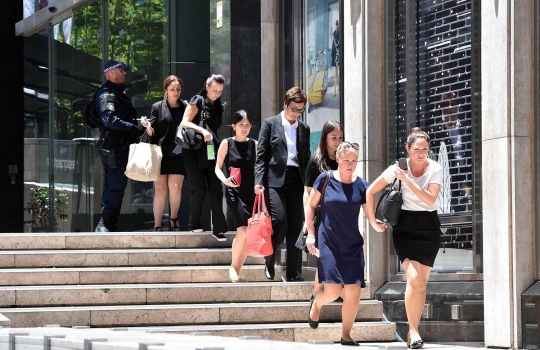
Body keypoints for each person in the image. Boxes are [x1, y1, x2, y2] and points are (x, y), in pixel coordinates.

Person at [365, 127, 443, 349]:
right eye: (417, 149)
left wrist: (407, 181)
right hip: (405, 227)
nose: (421, 154)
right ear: (408, 149)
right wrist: (372, 221)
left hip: (429, 227)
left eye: (425, 149)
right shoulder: (397, 168)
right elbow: (370, 191)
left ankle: (413, 330)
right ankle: (413, 330)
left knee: (422, 283)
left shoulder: (435, 168)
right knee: (413, 278)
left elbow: (430, 200)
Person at [305, 142, 368, 347]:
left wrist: (379, 224)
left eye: (354, 160)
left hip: (352, 244)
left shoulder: (362, 185)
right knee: (332, 291)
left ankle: (346, 335)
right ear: (338, 159)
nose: (350, 164)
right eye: (347, 160)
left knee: (353, 292)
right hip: (329, 241)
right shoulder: (325, 178)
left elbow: (370, 215)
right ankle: (316, 304)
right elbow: (311, 206)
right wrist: (311, 235)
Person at [254, 86, 311, 282]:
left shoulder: (304, 128)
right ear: (285, 104)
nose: (296, 113)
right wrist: (258, 181)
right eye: (294, 108)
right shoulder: (270, 124)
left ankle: (294, 272)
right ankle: (270, 258)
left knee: (296, 226)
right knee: (279, 220)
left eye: (300, 110)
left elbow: (305, 157)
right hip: (275, 181)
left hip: (297, 179)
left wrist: (310, 183)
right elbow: (261, 156)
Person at [94, 59, 146, 233]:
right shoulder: (106, 94)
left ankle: (109, 223)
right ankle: (105, 223)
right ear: (110, 73)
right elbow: (110, 120)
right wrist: (133, 128)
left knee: (118, 185)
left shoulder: (119, 94)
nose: (125, 73)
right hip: (112, 147)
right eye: (121, 70)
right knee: (115, 185)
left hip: (122, 147)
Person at [181, 74, 229, 240]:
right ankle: (194, 224)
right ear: (207, 87)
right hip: (194, 150)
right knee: (199, 187)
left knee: (215, 187)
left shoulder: (217, 106)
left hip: (210, 150)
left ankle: (219, 228)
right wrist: (202, 131)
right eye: (214, 90)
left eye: (220, 91)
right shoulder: (198, 100)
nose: (217, 93)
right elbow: (185, 122)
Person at [215, 110, 257, 282]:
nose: (244, 128)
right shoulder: (226, 143)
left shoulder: (254, 144)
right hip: (233, 190)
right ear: (233, 126)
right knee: (243, 230)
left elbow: (260, 167)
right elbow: (217, 167)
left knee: (249, 232)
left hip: (251, 192)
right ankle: (233, 266)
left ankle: (236, 270)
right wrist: (225, 180)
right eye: (241, 124)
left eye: (247, 125)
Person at [141, 75, 187, 232]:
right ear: (166, 90)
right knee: (160, 189)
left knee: (175, 187)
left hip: (178, 154)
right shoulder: (158, 107)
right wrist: (147, 127)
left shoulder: (185, 107)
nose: (176, 92)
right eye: (172, 89)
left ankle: (173, 219)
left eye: (178, 89)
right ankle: (157, 224)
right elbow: (152, 130)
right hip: (160, 154)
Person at [303, 120, 343, 299]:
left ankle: (334, 291)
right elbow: (308, 194)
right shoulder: (316, 161)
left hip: (342, 216)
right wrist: (308, 223)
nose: (337, 141)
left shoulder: (344, 160)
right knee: (325, 256)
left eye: (340, 137)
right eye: (333, 137)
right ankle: (317, 294)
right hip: (322, 216)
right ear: (325, 138)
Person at [330, 19, 340, 96]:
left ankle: (339, 87)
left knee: (339, 71)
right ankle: (336, 90)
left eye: (338, 25)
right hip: (335, 54)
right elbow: (333, 45)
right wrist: (332, 56)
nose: (337, 26)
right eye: (336, 25)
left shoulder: (340, 33)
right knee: (336, 71)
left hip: (339, 54)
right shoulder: (334, 34)